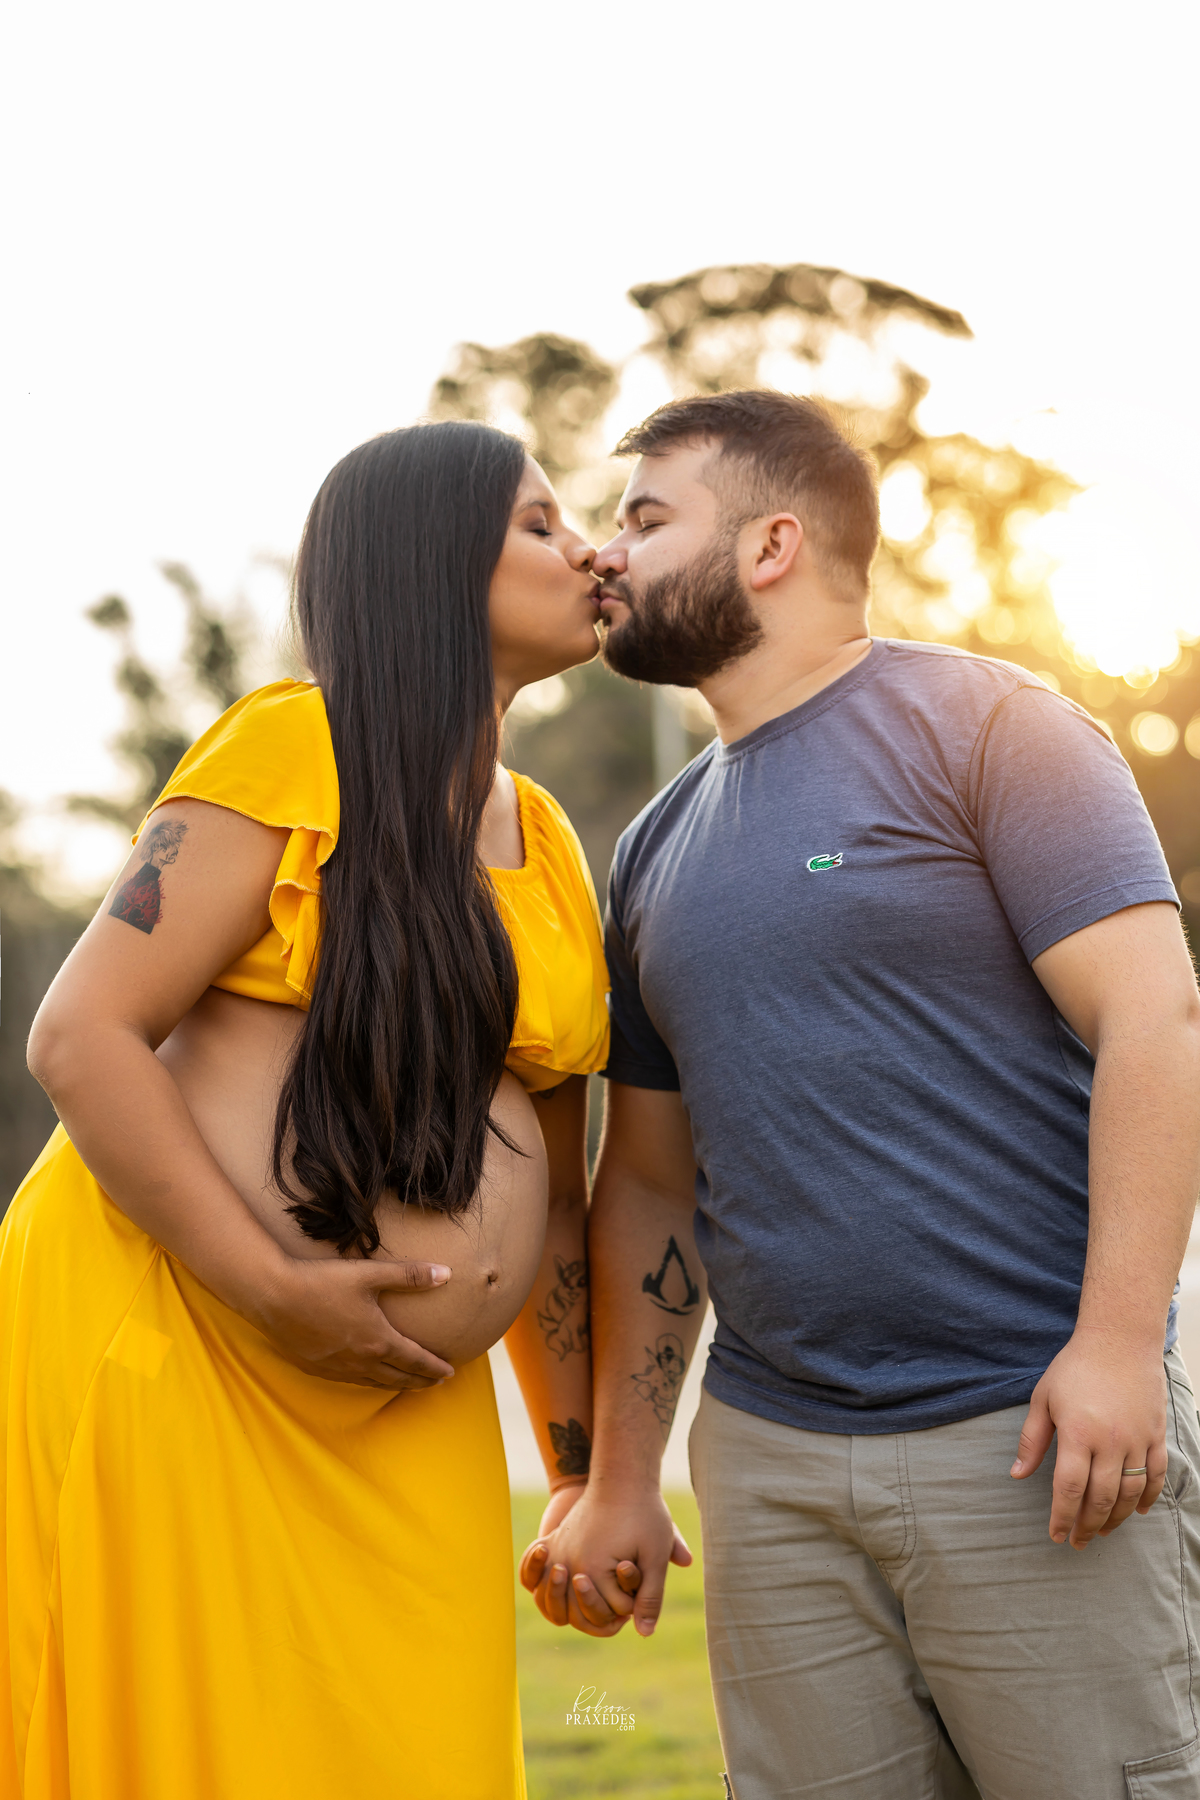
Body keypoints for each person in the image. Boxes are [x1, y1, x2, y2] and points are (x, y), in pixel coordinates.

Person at [522, 390, 1200, 1799]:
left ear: (770, 545)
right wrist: (626, 1476)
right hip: (771, 1473)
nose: (608, 554)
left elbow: (1155, 1017)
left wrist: (1122, 1346)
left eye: (647, 519)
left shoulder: (991, 727)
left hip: (1027, 1438)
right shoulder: (650, 852)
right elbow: (648, 1182)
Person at [2, 421, 612, 1800]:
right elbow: (84, 1035)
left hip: (404, 1409)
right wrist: (273, 1285)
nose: (587, 548)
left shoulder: (553, 843)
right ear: (432, 572)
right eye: (537, 522)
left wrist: (581, 1473)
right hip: (194, 1352)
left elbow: (559, 1204)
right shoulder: (295, 744)